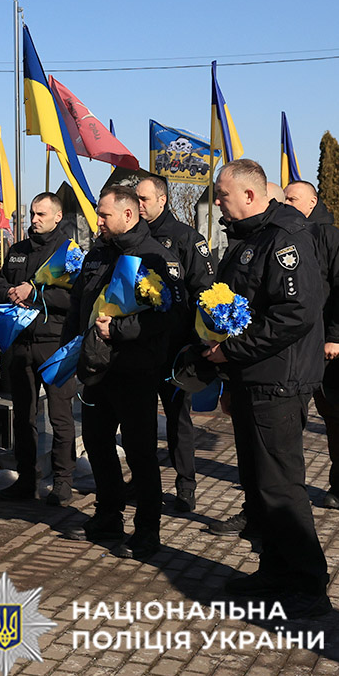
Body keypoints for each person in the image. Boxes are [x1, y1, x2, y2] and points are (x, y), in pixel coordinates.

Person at [202, 160, 330, 618]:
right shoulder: (249, 238)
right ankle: (275, 570)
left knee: (281, 486)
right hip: (251, 377)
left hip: (278, 379)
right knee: (258, 484)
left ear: (251, 195)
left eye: (222, 194)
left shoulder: (285, 238)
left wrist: (232, 352)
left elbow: (295, 313)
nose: (218, 201)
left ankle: (310, 584)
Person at [61, 186, 184, 559]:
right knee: (98, 444)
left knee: (140, 453)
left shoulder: (156, 256)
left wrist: (118, 331)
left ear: (128, 216)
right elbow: (78, 304)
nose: (97, 221)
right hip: (97, 369)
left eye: (104, 215)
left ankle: (147, 530)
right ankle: (108, 515)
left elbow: (172, 317)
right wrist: (71, 352)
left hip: (135, 369)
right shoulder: (98, 253)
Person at [0, 193, 79, 506]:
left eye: (41, 214)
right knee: (23, 418)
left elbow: (74, 298)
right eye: (31, 213)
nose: (34, 219)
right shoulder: (17, 250)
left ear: (57, 217)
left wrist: (37, 291)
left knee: (60, 417)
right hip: (20, 343)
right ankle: (26, 480)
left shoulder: (69, 252)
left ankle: (63, 482)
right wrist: (12, 292)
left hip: (53, 343)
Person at [135, 173, 215, 512]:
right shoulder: (130, 239)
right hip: (138, 345)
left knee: (177, 419)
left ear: (162, 200)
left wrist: (195, 343)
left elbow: (205, 291)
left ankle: (185, 484)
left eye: (144, 200)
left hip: (174, 349)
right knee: (138, 420)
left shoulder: (185, 239)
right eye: (134, 199)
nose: (138, 206)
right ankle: (141, 482)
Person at [283, 180, 339, 508]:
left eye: (292, 198)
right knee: (289, 416)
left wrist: (336, 336)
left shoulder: (333, 239)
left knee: (334, 413)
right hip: (292, 347)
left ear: (311, 202)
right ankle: (285, 484)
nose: (286, 202)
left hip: (325, 347)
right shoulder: (286, 236)